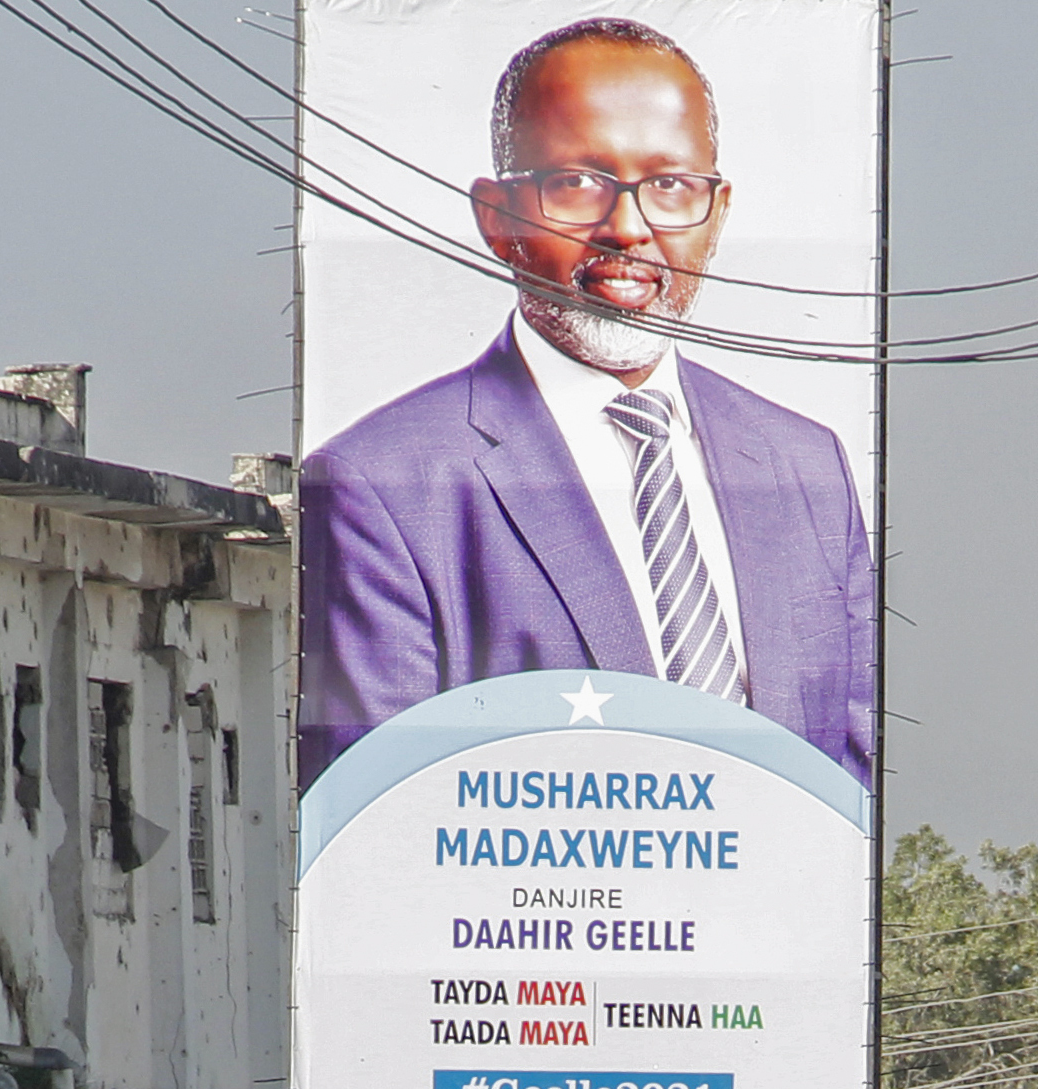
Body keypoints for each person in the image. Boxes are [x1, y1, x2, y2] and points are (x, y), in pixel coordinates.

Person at [297, 16, 875, 792]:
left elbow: (853, 794)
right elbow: (380, 818)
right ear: (495, 217)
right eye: (578, 182)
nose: (628, 229)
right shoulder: (381, 485)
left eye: (670, 186)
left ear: (717, 213)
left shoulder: (805, 464)